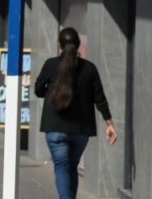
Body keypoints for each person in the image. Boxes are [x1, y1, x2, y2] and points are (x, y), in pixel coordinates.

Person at [34, 27, 117, 199]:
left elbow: (38, 90)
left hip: (55, 128)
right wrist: (109, 123)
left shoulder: (51, 65)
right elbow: (99, 98)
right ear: (78, 45)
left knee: (62, 166)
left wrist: (50, 92)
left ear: (59, 45)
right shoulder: (90, 69)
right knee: (72, 167)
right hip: (80, 131)